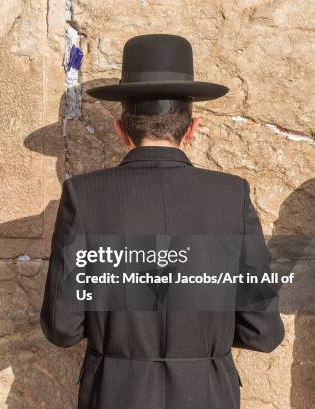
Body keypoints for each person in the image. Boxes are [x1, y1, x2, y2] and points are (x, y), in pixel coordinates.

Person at [40, 34, 284, 409]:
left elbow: (63, 328)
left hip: (115, 393)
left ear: (122, 131)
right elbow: (263, 331)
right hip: (207, 394)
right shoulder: (232, 195)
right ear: (192, 129)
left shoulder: (83, 196)